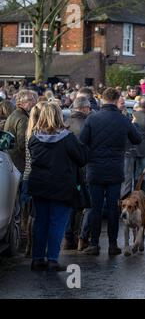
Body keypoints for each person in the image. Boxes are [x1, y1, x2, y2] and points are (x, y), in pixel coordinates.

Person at [80, 88, 142, 256]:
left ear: (103, 100)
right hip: (115, 169)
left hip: (94, 169)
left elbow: (81, 141)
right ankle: (113, 245)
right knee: (114, 208)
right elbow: (137, 139)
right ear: (116, 101)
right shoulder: (123, 120)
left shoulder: (92, 119)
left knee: (95, 207)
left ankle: (94, 244)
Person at [28, 102, 88, 271]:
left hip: (39, 185)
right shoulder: (67, 138)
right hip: (62, 186)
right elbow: (82, 158)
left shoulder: (34, 138)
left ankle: (37, 258)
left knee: (41, 222)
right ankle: (52, 258)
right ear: (59, 116)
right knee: (57, 223)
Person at [63, 96, 91, 250]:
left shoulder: (65, 123)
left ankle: (68, 237)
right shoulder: (87, 124)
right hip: (83, 169)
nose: (89, 110)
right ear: (84, 108)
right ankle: (77, 236)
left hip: (67, 170)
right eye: (88, 108)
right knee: (82, 203)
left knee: (69, 204)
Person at [4, 90, 38, 174]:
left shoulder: (16, 114)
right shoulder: (23, 119)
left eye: (33, 99)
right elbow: (23, 145)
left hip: (12, 161)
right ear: (20, 103)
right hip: (19, 164)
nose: (34, 102)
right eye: (30, 100)